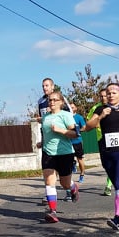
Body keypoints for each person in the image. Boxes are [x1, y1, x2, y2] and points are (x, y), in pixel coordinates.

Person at [84, 83, 119, 231]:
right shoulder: (100, 109)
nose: (111, 95)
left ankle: (117, 218)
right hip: (106, 152)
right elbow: (88, 126)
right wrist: (101, 116)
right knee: (117, 183)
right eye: (108, 93)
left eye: (114, 92)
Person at [40, 91, 79, 223]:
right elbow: (46, 134)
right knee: (49, 181)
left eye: (55, 100)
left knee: (64, 183)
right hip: (48, 153)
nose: (51, 102)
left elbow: (75, 134)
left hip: (65, 153)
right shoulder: (45, 117)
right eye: (50, 100)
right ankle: (53, 211)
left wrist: (60, 130)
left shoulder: (66, 115)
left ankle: (73, 187)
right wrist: (42, 143)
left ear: (61, 102)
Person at [87, 89, 113, 196]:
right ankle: (112, 177)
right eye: (101, 96)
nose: (103, 98)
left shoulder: (114, 106)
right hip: (100, 137)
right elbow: (89, 122)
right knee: (105, 163)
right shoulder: (96, 108)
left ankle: (109, 185)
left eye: (105, 96)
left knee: (113, 161)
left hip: (112, 137)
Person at [69, 103, 86, 183]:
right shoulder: (66, 117)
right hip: (68, 142)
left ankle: (82, 175)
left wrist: (78, 130)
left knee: (80, 159)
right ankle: (73, 164)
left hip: (77, 141)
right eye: (70, 108)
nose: (71, 109)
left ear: (75, 108)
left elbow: (84, 127)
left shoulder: (79, 117)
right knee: (68, 159)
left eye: (72, 107)